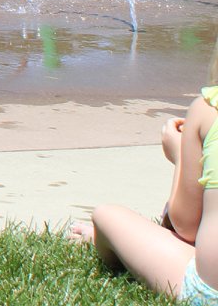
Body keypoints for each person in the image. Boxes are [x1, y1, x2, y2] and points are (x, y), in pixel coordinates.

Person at [72, 87, 218, 303]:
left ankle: (112, 246)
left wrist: (180, 157)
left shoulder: (209, 108)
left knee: (106, 215)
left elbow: (186, 227)